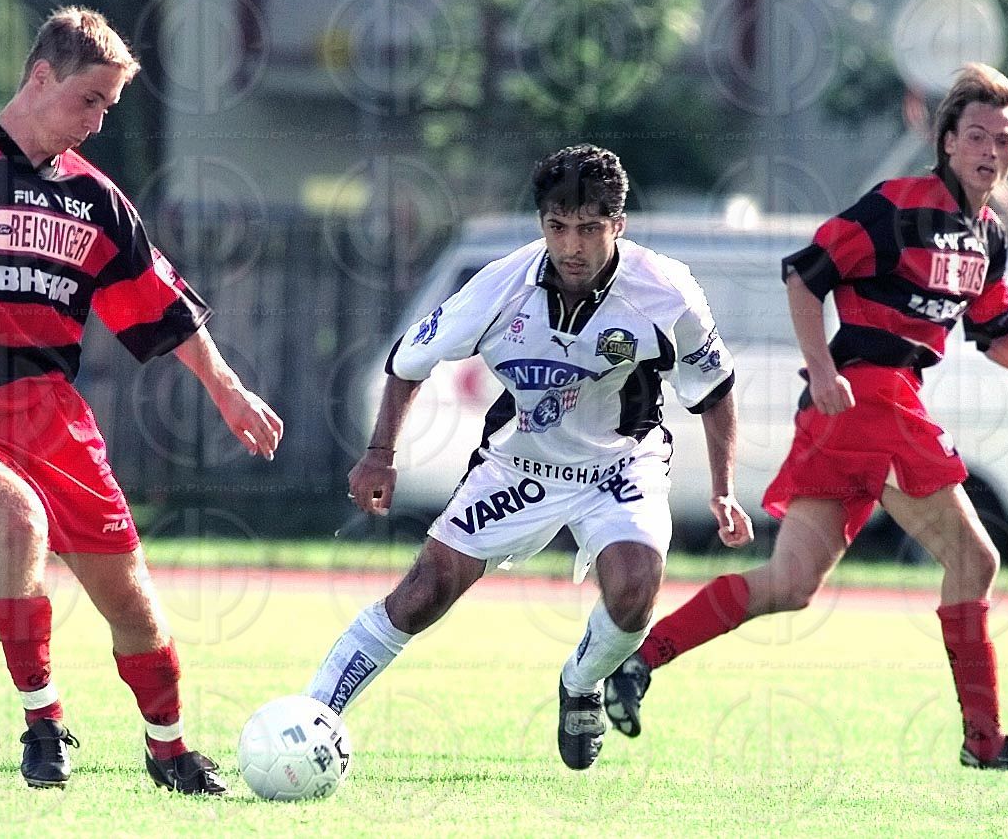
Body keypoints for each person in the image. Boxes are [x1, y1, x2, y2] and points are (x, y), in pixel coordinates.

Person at [605, 63, 1008, 772]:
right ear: (948, 141)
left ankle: (639, 661)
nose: (991, 148)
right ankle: (984, 742)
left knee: (790, 585)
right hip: (869, 397)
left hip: (856, 410)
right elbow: (805, 274)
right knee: (975, 560)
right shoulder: (899, 205)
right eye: (977, 134)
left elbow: (997, 334)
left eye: (1005, 139)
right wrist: (823, 368)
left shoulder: (987, 237)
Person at [0, 7, 283, 793]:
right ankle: (43, 724)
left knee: (134, 607)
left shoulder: (95, 200)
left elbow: (163, 307)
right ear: (42, 75)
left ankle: (170, 751)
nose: (97, 121)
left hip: (55, 425)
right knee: (20, 521)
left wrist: (228, 391)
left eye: (109, 108)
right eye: (90, 100)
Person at [304, 144, 752, 770]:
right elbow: (409, 362)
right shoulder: (500, 285)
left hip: (621, 464)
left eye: (589, 228)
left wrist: (723, 489)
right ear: (542, 222)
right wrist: (380, 452)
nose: (572, 246)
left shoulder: (666, 293)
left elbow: (716, 391)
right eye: (557, 226)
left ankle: (581, 682)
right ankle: (310, 718)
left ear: (618, 225)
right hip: (520, 467)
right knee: (424, 592)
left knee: (634, 590)